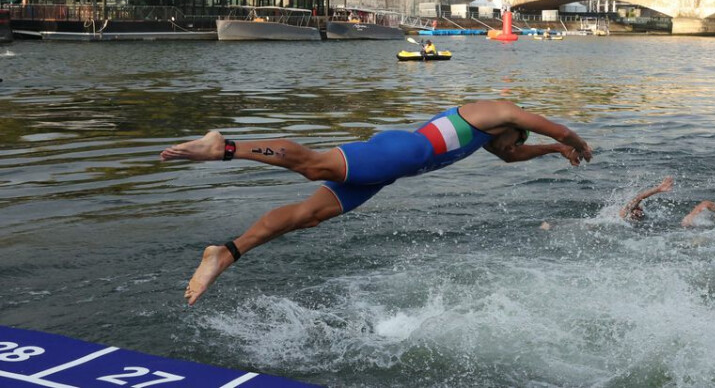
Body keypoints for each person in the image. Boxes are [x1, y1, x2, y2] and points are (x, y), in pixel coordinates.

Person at [160, 99, 593, 305]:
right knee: (314, 165)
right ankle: (224, 147)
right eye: (515, 141)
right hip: (398, 153)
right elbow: (555, 127)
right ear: (510, 129)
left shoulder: (490, 140)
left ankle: (225, 253)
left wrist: (555, 151)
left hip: (389, 172)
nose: (511, 148)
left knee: (308, 216)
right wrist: (574, 143)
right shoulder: (499, 111)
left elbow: (515, 155)